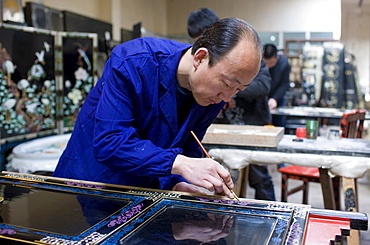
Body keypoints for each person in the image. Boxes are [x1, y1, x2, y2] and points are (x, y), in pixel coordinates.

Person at [53, 18, 262, 200]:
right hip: (91, 184)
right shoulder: (133, 61)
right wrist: (182, 165)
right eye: (227, 84)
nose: (226, 98)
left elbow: (189, 147)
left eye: (238, 89)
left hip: (145, 191)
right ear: (200, 58)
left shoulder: (210, 95)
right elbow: (110, 142)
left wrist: (179, 182)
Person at [187, 9, 276, 201]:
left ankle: (269, 210)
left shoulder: (244, 54)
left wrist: (232, 89)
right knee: (227, 174)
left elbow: (263, 86)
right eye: (197, 39)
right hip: (229, 125)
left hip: (252, 124)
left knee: (259, 176)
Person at [263, 43, 291, 127]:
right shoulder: (259, 63)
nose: (267, 66)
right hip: (261, 95)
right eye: (265, 63)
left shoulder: (284, 63)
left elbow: (285, 84)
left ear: (277, 57)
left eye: (271, 63)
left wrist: (275, 98)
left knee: (278, 123)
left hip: (277, 96)